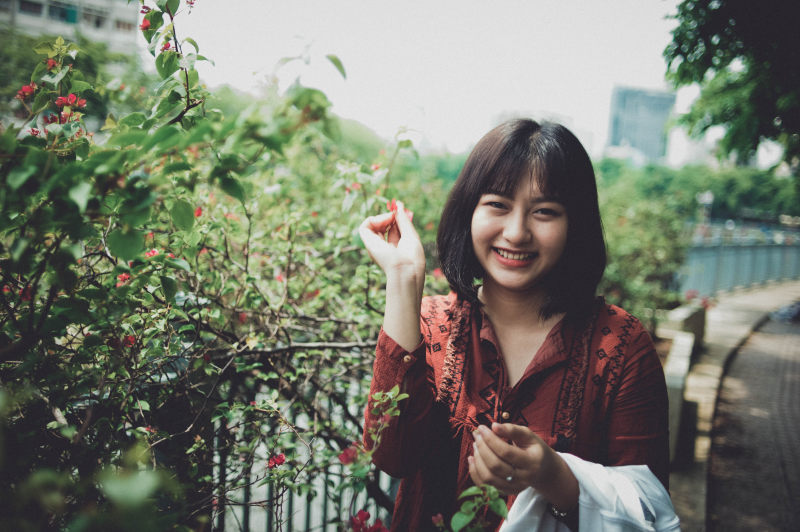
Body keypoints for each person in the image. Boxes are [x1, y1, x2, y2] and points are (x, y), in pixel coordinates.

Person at [358, 119, 677, 531]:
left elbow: (650, 510)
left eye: (544, 211)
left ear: (574, 224)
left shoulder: (621, 346)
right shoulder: (433, 326)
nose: (517, 232)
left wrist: (556, 478)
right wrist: (403, 280)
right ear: (468, 211)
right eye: (497, 204)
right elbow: (390, 456)